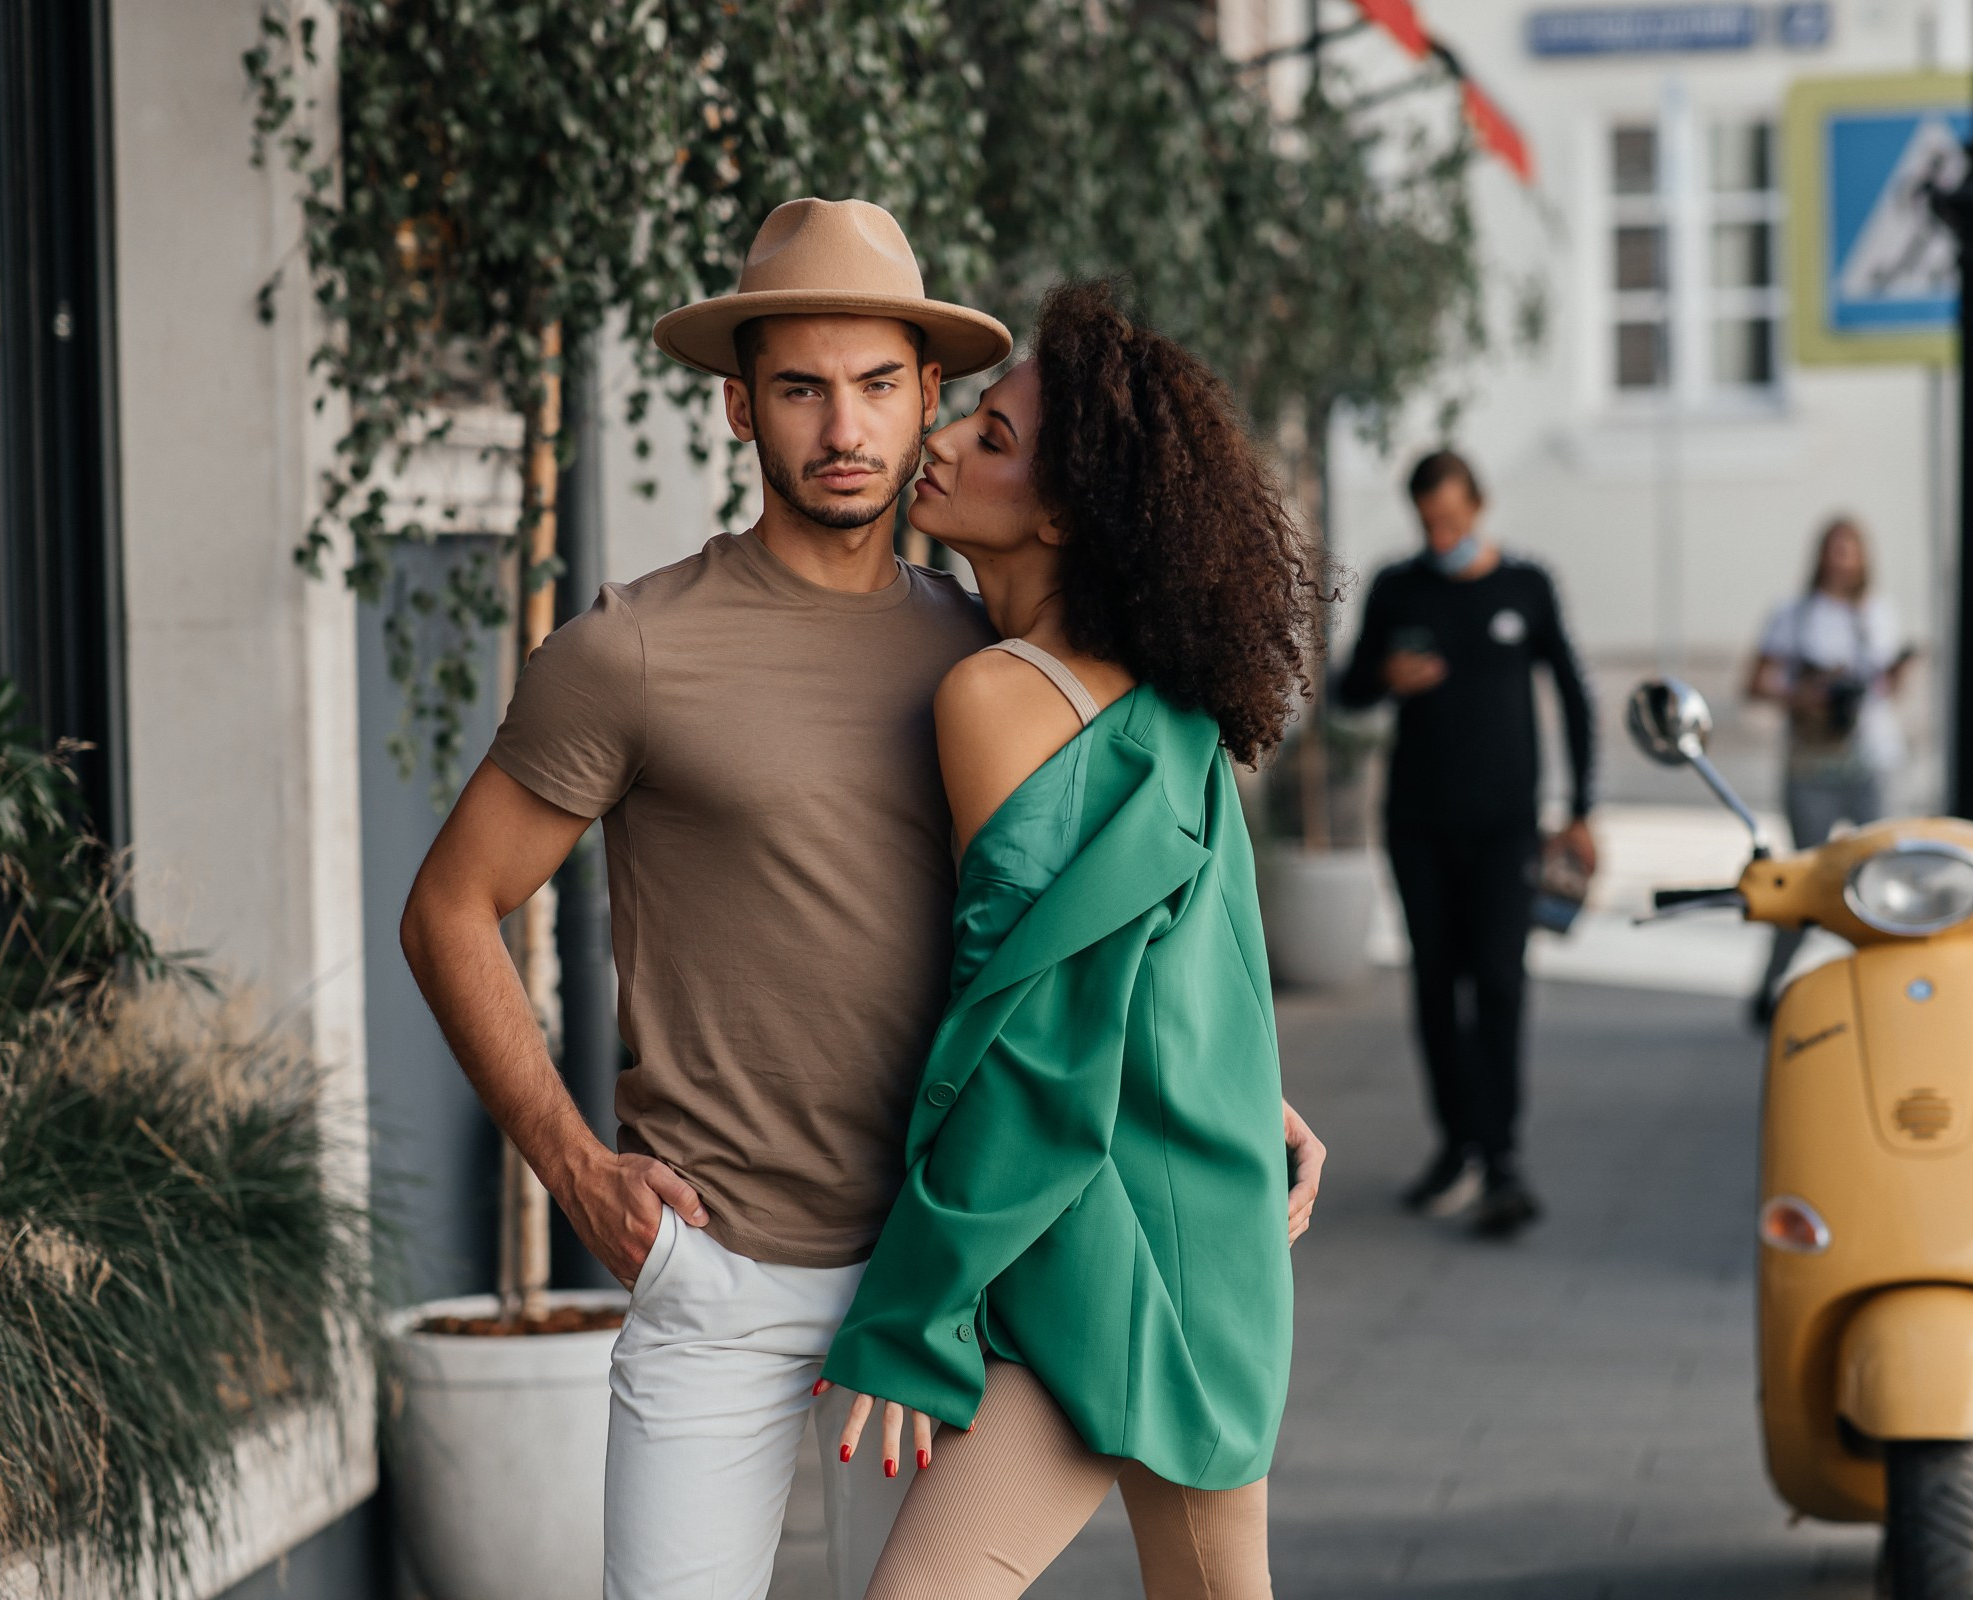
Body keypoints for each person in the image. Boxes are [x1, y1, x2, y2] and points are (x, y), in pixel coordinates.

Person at [397, 201, 1326, 1600]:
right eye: (802, 389)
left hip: (950, 1275)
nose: (847, 427)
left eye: (882, 386)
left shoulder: (990, 651)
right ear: (737, 407)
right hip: (725, 1280)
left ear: (927, 400)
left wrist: (1218, 1088)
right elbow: (450, 909)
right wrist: (575, 1165)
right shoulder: (630, 652)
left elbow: (1088, 933)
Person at [810, 281, 1320, 1600]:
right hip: (1207, 1236)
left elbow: (1024, 1042)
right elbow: (1186, 976)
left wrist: (914, 1314)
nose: (941, 440)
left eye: (989, 438)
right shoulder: (1171, 712)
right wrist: (1257, 1095)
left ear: (1058, 515)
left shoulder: (992, 697)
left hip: (1093, 1250)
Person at [1335, 449, 1596, 1240]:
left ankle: (1503, 1156)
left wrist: (1582, 808)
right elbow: (1348, 690)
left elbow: (1575, 695)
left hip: (1507, 828)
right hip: (1418, 826)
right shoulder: (1397, 586)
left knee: (1501, 984)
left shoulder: (1526, 586)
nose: (1440, 531)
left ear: (1477, 506)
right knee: (1436, 990)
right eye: (1428, 520)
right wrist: (1388, 677)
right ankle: (1457, 1145)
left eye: (1452, 517)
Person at [1744, 515, 1913, 1023]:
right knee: (1807, 881)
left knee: (1882, 878)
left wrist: (1883, 678)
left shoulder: (1879, 614)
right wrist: (1808, 693)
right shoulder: (1794, 616)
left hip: (1871, 760)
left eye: (1851, 549)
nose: (1842, 559)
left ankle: (1883, 985)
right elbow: (1757, 681)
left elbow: (1889, 689)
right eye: (1834, 549)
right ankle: (1771, 984)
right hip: (1813, 765)